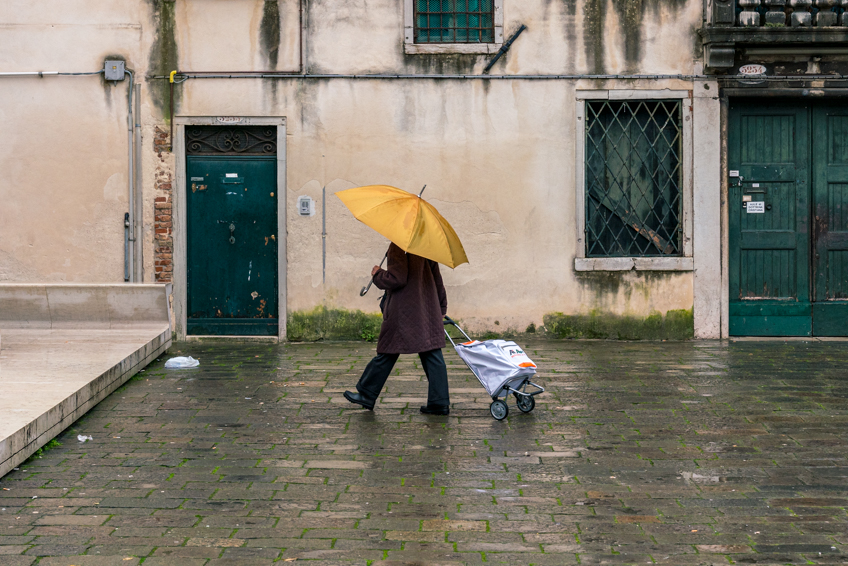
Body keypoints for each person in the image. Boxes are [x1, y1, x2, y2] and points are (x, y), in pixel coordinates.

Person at [344, 242, 451, 415]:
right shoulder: (427, 245)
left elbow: (396, 278)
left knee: (387, 351)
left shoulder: (398, 245)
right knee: (431, 352)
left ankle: (366, 395)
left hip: (404, 311)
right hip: (427, 308)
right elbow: (437, 279)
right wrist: (441, 307)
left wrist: (377, 274)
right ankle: (439, 402)